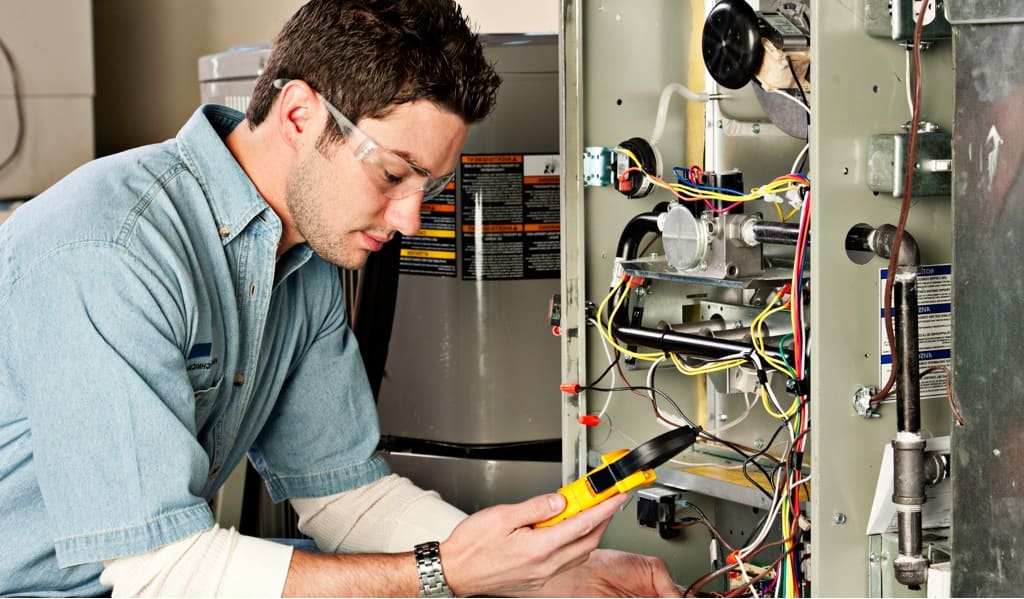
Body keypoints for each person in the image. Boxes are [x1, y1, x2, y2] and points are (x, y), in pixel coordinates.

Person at [0, 0, 682, 596]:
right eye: (392, 173)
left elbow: (346, 500)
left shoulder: (303, 257)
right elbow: (161, 574)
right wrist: (447, 571)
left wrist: (538, 575)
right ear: (299, 114)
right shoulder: (111, 250)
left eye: (431, 187)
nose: (413, 218)